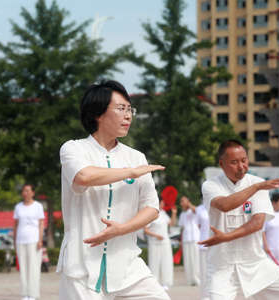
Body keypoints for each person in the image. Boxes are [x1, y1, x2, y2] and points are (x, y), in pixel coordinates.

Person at [57, 80, 169, 300]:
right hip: (81, 267)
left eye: (130, 109)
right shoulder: (73, 148)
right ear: (98, 114)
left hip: (128, 268)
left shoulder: (136, 157)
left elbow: (151, 208)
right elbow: (85, 176)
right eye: (121, 109)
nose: (128, 116)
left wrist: (122, 229)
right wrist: (130, 173)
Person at [200, 140, 279, 300]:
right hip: (222, 266)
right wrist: (256, 188)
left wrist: (226, 237)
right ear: (221, 163)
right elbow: (225, 205)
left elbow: (257, 223)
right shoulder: (211, 185)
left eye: (244, 160)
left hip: (255, 263)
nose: (241, 166)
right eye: (234, 162)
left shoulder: (256, 183)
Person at [13, 184, 45, 300]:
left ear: (32, 193)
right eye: (24, 191)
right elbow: (15, 225)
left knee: (34, 267)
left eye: (27, 191)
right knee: (23, 268)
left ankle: (33, 294)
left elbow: (41, 224)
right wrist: (14, 240)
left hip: (34, 240)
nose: (25, 193)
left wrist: (40, 240)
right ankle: (25, 294)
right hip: (21, 240)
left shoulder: (38, 206)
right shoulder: (18, 207)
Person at [143, 199, 177, 290]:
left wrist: (174, 213)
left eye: (163, 203)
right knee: (154, 262)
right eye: (160, 203)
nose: (162, 205)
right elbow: (145, 230)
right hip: (154, 243)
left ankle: (166, 282)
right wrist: (156, 235)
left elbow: (172, 224)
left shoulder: (164, 214)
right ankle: (155, 282)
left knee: (166, 262)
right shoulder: (151, 214)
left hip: (165, 242)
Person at [178, 196, 201, 286]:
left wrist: (189, 204)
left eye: (183, 201)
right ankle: (190, 280)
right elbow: (182, 228)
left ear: (188, 201)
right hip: (186, 240)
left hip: (195, 238)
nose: (181, 203)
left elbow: (196, 210)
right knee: (188, 261)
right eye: (181, 201)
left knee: (195, 259)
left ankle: (197, 279)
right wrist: (181, 241)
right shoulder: (182, 214)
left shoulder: (194, 211)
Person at [196, 203, 210, 300]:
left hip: (216, 243)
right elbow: (198, 225)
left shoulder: (215, 205)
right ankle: (205, 296)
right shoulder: (199, 209)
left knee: (214, 271)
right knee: (204, 271)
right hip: (204, 244)